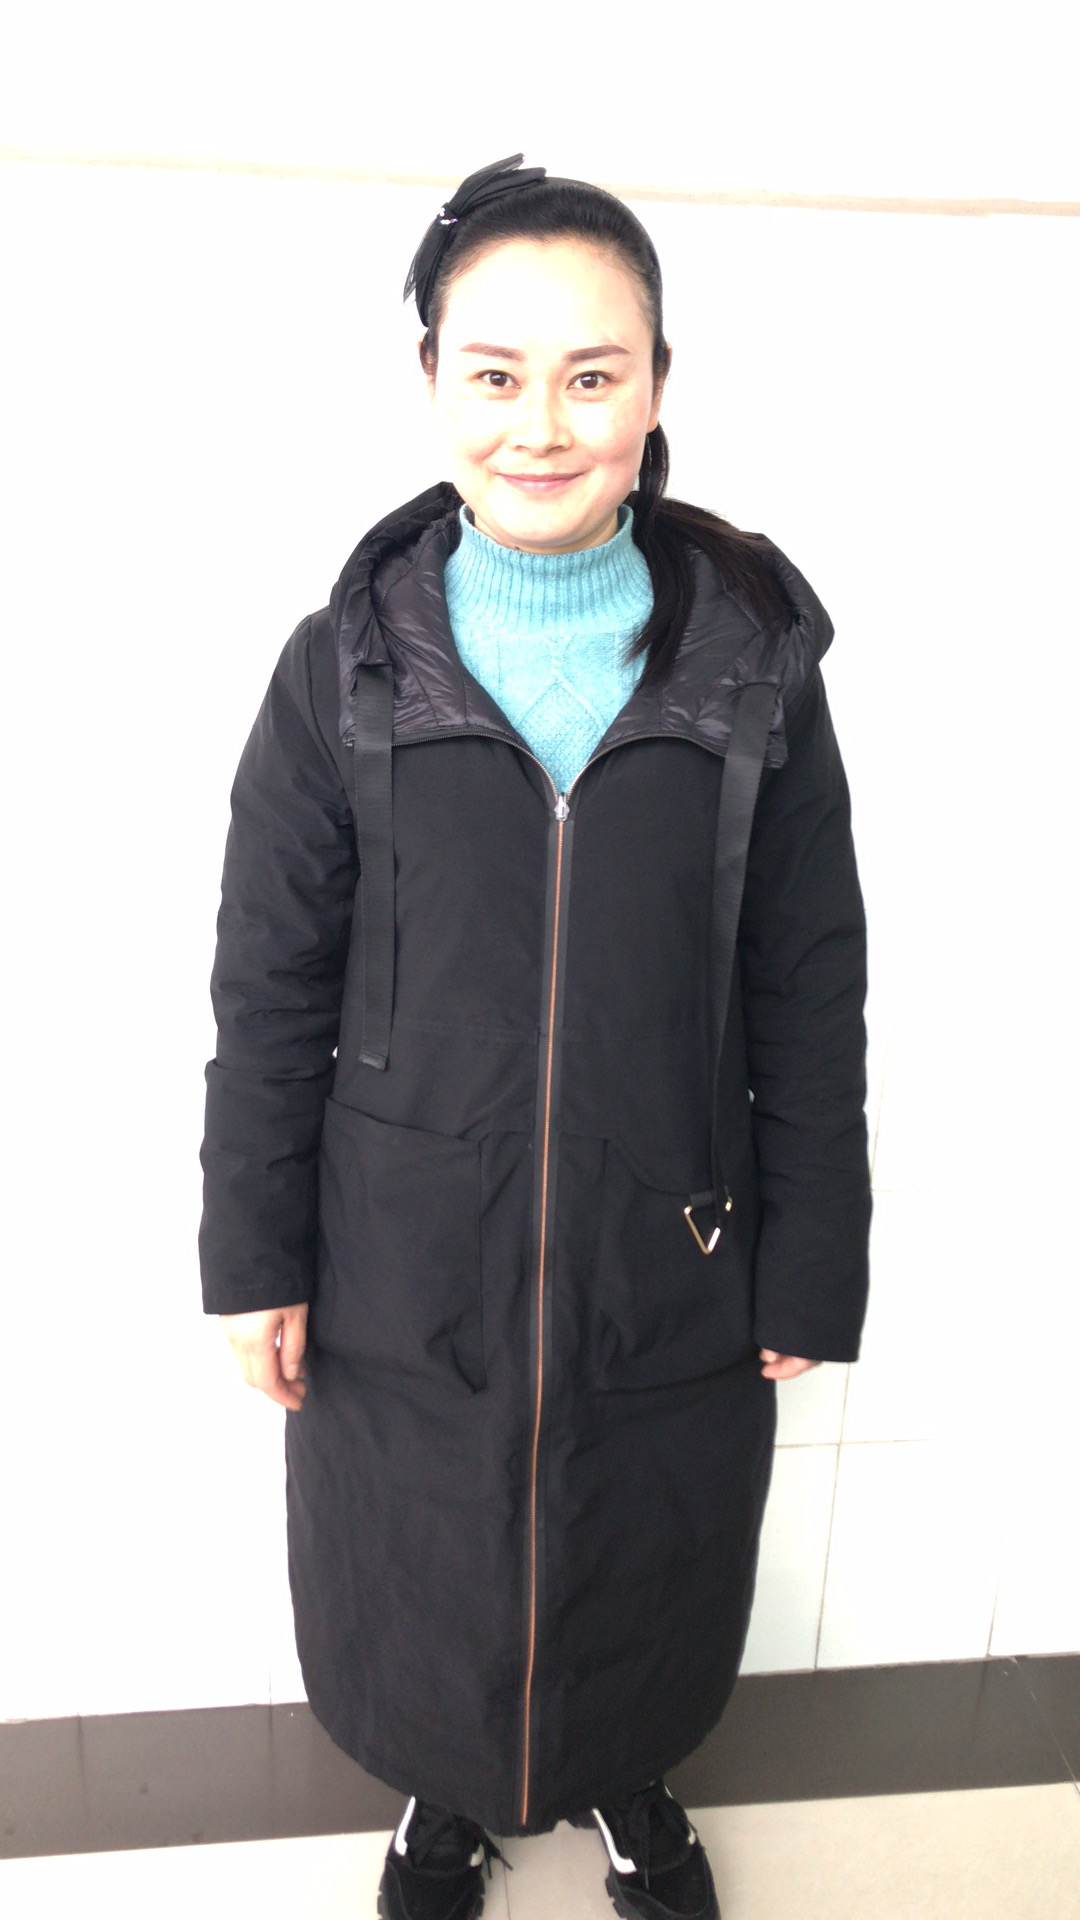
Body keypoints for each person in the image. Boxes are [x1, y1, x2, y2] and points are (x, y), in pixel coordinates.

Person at [199, 154, 872, 1920]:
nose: (542, 424)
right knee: (430, 1545)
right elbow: (267, 988)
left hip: (671, 1235)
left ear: (657, 389)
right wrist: (254, 1256)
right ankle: (446, 1794)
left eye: (593, 374)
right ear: (432, 379)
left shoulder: (755, 679)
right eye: (495, 372)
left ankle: (625, 1785)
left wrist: (814, 1261)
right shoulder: (341, 674)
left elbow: (812, 984)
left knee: (635, 1539)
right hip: (402, 1240)